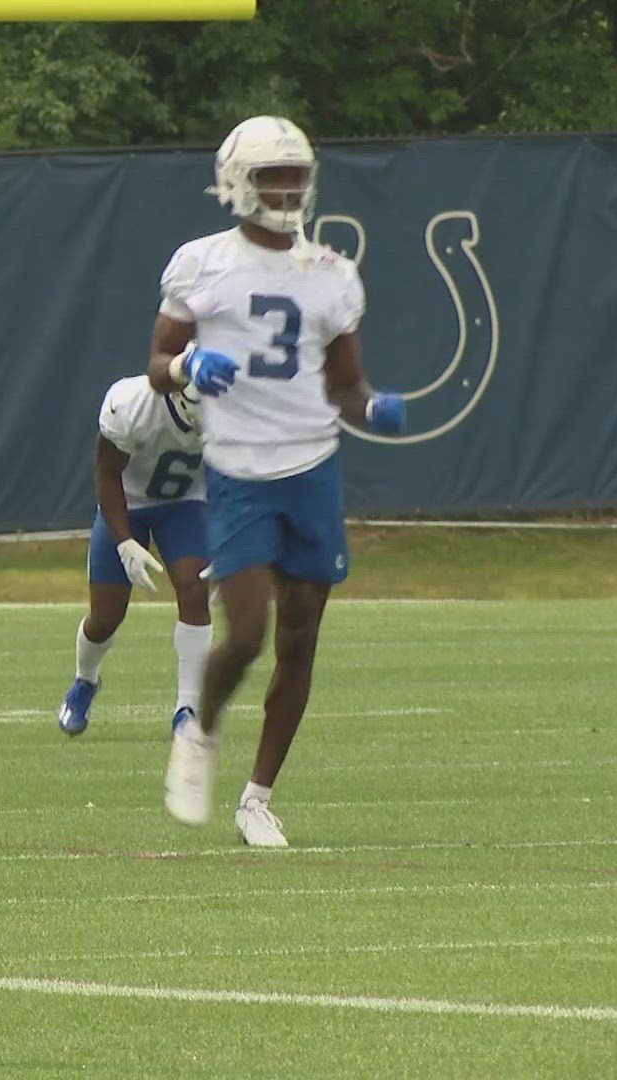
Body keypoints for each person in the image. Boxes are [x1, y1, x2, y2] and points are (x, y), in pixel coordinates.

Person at [148, 115, 406, 847]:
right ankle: (199, 731)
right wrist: (190, 366)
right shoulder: (201, 263)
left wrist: (374, 407)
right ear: (238, 182)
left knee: (301, 639)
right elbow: (156, 366)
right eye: (273, 176)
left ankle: (257, 798)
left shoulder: (331, 273)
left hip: (312, 468)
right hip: (238, 472)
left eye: (295, 175)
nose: (287, 189)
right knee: (248, 632)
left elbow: (346, 386)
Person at [58, 374, 211, 737]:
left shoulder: (235, 406)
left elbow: (234, 477)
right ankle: (85, 680)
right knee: (106, 616)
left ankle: (187, 709)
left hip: (185, 504)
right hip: (128, 505)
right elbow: (107, 473)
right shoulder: (131, 404)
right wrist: (125, 542)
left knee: (194, 590)